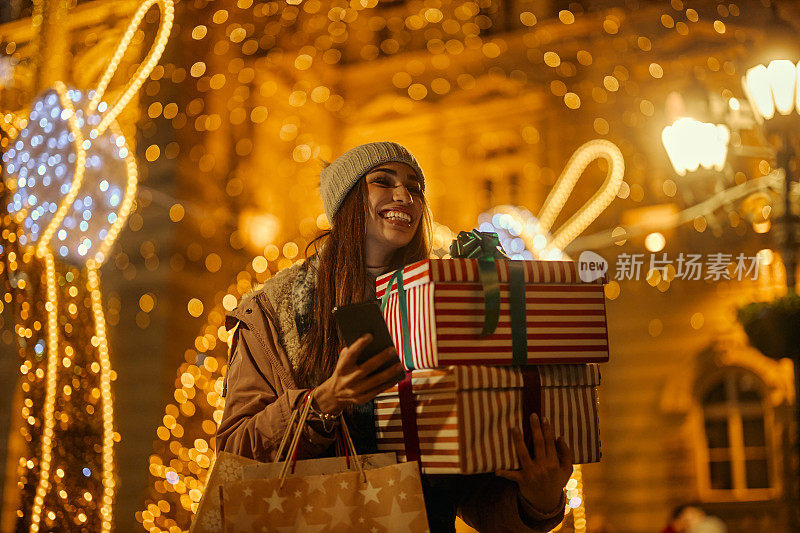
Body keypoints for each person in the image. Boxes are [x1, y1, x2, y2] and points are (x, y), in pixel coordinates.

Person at [217, 141, 573, 531]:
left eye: (416, 187)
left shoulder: (443, 301)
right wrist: (322, 402)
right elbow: (236, 451)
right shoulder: (273, 310)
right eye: (383, 182)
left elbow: (466, 489)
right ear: (348, 202)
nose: (405, 196)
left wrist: (538, 500)